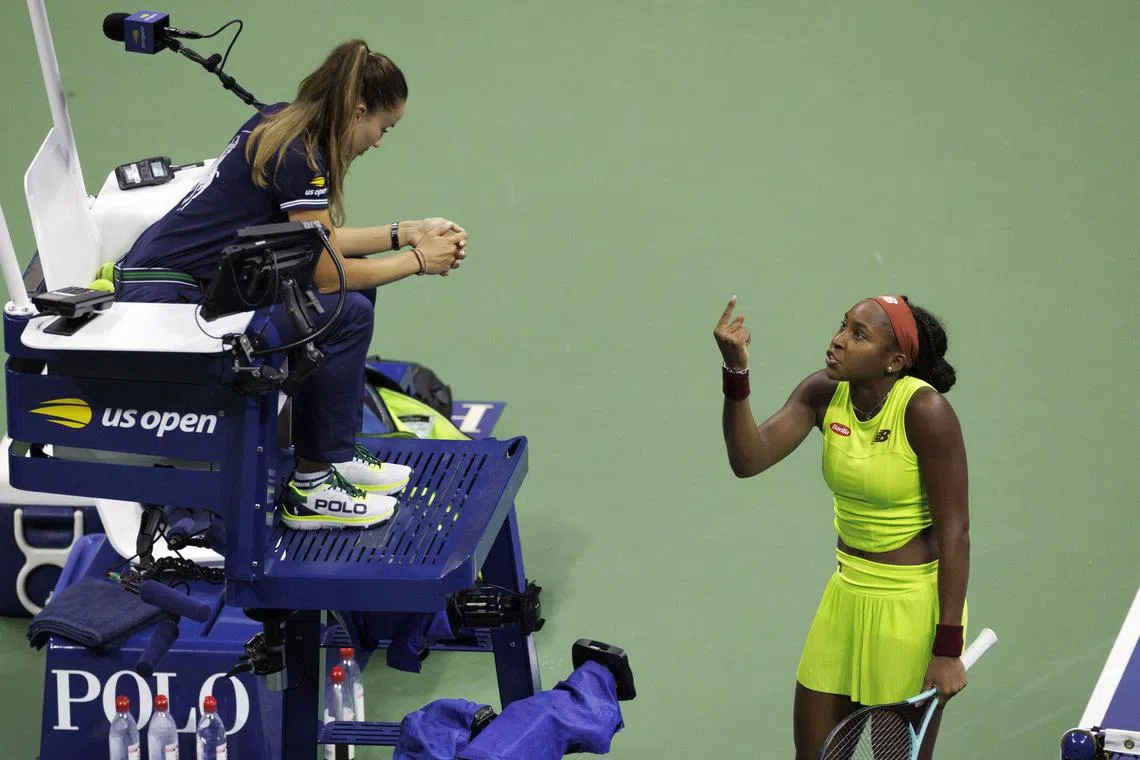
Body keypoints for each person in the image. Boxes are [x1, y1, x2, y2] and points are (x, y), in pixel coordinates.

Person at [117, 39, 467, 530]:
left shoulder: (289, 123)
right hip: (168, 300)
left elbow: (317, 241)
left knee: (356, 292)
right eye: (382, 128)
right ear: (359, 110)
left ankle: (333, 454)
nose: (379, 141)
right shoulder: (302, 155)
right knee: (347, 311)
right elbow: (325, 271)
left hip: (191, 282)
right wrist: (417, 260)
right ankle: (312, 488)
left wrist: (403, 232)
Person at [713, 294, 969, 759]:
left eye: (858, 335)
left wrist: (948, 648)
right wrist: (736, 374)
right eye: (843, 326)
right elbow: (748, 459)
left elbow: (955, 533)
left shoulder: (925, 413)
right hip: (846, 594)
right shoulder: (823, 393)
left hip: (909, 611)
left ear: (894, 362)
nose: (836, 341)